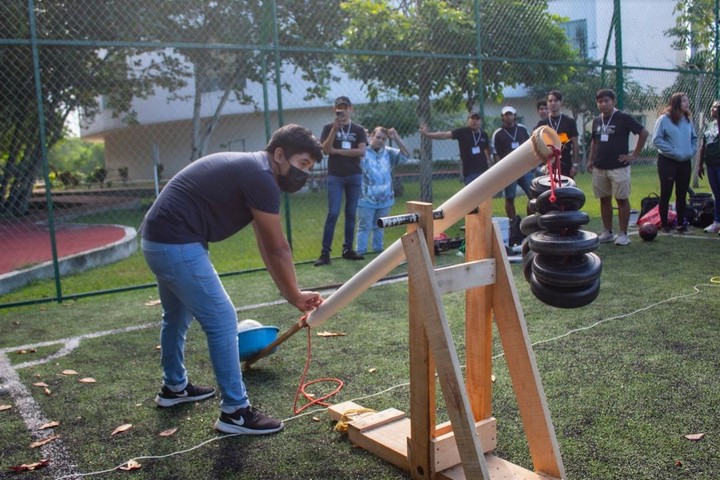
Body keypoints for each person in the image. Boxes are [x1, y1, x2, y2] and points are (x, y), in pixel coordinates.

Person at [140, 124, 324, 435]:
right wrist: (294, 295)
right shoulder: (261, 177)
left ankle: (174, 387)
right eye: (302, 164)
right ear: (279, 154)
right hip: (175, 243)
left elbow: (266, 243)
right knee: (223, 321)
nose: (304, 173)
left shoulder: (256, 170)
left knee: (176, 316)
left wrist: (290, 292)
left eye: (309, 168)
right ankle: (235, 412)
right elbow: (279, 247)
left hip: (157, 240)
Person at [587, 89, 649, 246]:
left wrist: (634, 155)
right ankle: (607, 232)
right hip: (600, 166)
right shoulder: (596, 120)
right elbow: (594, 141)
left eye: (606, 101)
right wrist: (590, 160)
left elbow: (643, 133)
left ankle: (623, 234)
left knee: (621, 199)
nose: (603, 104)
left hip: (618, 166)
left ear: (613, 101)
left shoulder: (623, 117)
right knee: (604, 199)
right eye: (600, 102)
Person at [314, 96, 368, 266]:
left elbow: (361, 152)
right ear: (334, 110)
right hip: (335, 176)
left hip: (354, 175)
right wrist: (334, 130)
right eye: (339, 108)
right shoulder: (328, 127)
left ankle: (348, 249)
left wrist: (336, 151)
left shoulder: (358, 130)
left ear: (351, 109)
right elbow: (325, 150)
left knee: (351, 213)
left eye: (345, 108)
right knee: (333, 213)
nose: (342, 111)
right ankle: (325, 253)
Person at [356, 126, 410, 255]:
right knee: (364, 226)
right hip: (366, 198)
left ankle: (378, 250)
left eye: (383, 139)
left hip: (385, 198)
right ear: (371, 137)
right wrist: (361, 137)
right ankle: (360, 251)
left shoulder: (389, 152)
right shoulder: (362, 151)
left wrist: (396, 137)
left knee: (380, 226)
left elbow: (406, 154)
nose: (380, 141)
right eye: (378, 137)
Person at [652, 92, 698, 233]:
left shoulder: (687, 120)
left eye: (687, 100)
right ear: (676, 103)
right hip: (668, 161)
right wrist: (673, 151)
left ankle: (680, 224)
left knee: (682, 193)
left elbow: (694, 138)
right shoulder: (664, 119)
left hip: (684, 162)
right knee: (666, 193)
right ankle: (664, 224)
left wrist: (690, 151)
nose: (687, 103)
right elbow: (657, 140)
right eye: (684, 101)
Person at [419, 110, 491, 185]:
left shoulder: (484, 134)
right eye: (472, 118)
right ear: (468, 121)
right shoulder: (462, 132)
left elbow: (486, 149)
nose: (474, 121)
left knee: (487, 195)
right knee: (473, 195)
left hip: (483, 171)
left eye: (477, 119)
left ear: (481, 122)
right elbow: (445, 135)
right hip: (470, 173)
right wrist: (427, 134)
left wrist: (489, 163)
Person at [491, 105, 532, 219]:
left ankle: (529, 220)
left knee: (533, 195)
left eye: (511, 114)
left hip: (524, 168)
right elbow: (495, 153)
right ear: (502, 117)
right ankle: (512, 221)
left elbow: (530, 145)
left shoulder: (522, 129)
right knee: (509, 197)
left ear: (515, 116)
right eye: (506, 115)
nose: (509, 117)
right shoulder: (498, 133)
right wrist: (501, 171)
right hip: (508, 170)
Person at [537, 90, 580, 177]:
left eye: (555, 100)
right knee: (550, 189)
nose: (553, 103)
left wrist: (575, 164)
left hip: (566, 162)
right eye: (550, 101)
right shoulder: (542, 124)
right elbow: (538, 145)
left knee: (565, 189)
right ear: (548, 103)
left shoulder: (569, 121)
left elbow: (575, 144)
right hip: (549, 163)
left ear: (561, 103)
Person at [697, 100, 720, 233]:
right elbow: (703, 146)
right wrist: (700, 165)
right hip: (710, 165)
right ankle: (717, 221)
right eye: (712, 107)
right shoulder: (709, 126)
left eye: (715, 108)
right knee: (717, 194)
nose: (712, 109)